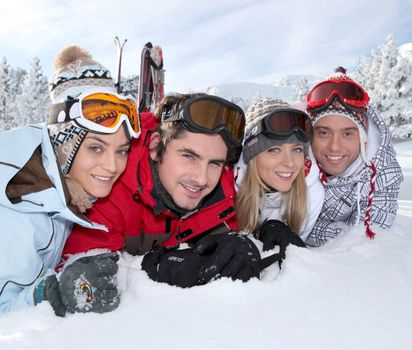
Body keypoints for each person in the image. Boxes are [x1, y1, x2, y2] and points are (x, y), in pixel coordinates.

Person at [64, 93, 262, 288]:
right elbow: (81, 275)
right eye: (189, 156)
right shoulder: (109, 189)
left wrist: (249, 240)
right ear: (156, 146)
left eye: (214, 163)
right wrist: (154, 269)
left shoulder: (226, 189)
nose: (201, 178)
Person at [0, 45, 141, 316]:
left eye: (121, 150)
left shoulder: (58, 189)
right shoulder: (19, 206)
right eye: (95, 148)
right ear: (64, 145)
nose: (112, 166)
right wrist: (50, 293)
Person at [304, 67, 403, 247]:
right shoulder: (292, 163)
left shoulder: (383, 170)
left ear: (364, 139)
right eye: (324, 133)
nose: (334, 146)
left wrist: (316, 231)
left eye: (348, 134)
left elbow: (370, 235)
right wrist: (344, 231)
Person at [234, 98, 324, 258]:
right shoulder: (230, 189)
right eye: (274, 150)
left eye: (296, 150)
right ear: (252, 156)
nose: (289, 163)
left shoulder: (311, 193)